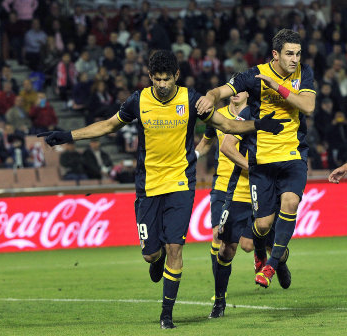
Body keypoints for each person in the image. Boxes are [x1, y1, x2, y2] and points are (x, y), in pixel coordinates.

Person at [38, 50, 288, 329]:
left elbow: (228, 124)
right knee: (151, 254)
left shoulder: (191, 100)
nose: (162, 84)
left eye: (166, 79)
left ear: (176, 76)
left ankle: (166, 316)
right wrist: (68, 136)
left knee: (175, 249)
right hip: (148, 185)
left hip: (181, 183)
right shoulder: (139, 100)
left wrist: (260, 124)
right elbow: (109, 126)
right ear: (150, 77)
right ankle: (154, 260)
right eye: (157, 79)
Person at [196, 29, 316, 289]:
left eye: (297, 53)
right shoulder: (253, 76)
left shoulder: (303, 73)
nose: (295, 59)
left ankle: (270, 267)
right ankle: (272, 257)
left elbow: (308, 106)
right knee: (261, 227)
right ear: (275, 54)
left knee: (291, 202)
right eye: (289, 54)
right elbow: (221, 91)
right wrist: (210, 97)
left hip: (293, 155)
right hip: (262, 164)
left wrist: (278, 86)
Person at [195, 79, 290, 319]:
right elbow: (214, 143)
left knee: (256, 244)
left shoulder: (266, 116)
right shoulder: (221, 117)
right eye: (233, 91)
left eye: (241, 91)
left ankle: (278, 260)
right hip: (229, 188)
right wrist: (193, 156)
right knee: (224, 245)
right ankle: (219, 301)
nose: (236, 94)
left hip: (264, 190)